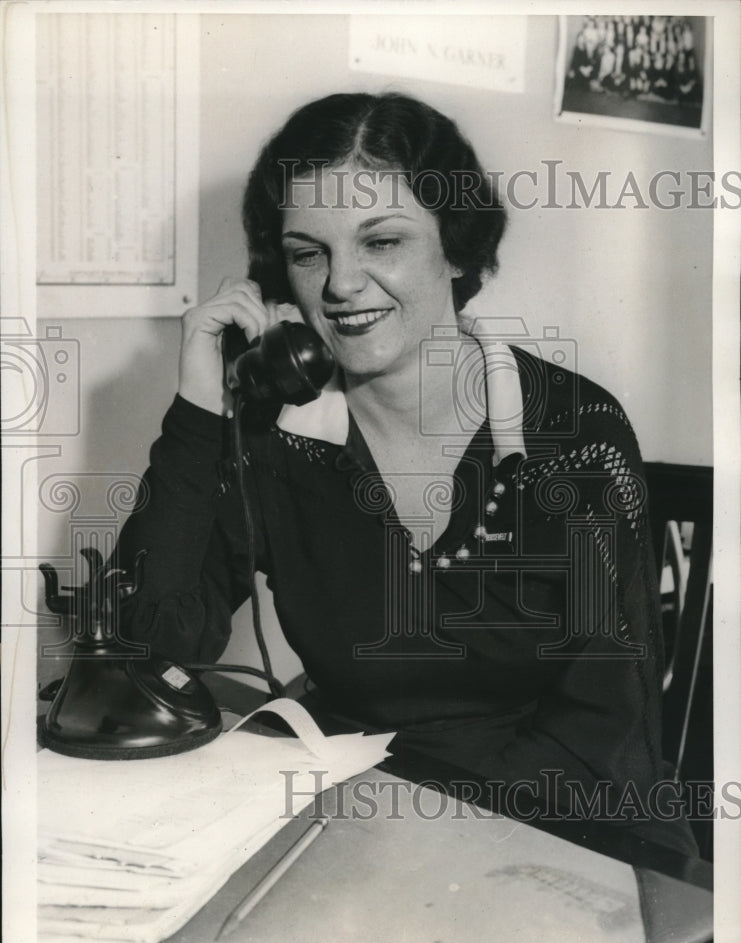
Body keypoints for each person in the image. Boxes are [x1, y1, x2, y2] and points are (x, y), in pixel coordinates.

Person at [114, 92, 697, 855]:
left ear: (454, 248)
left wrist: (427, 835)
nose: (341, 286)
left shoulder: (573, 437)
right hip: (357, 806)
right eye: (307, 252)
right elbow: (148, 643)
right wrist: (197, 409)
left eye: (380, 242)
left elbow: (607, 736)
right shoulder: (277, 437)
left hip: (557, 827)